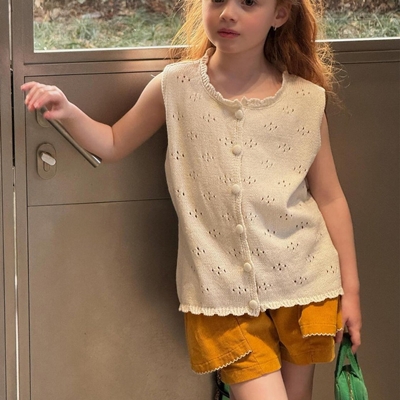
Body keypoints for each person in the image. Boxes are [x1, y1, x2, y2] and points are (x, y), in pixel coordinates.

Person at [22, 1, 362, 399]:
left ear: (280, 15)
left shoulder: (306, 100)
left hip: (306, 287)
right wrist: (68, 111)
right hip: (221, 297)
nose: (228, 12)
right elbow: (113, 141)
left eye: (248, 2)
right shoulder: (176, 86)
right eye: (217, 0)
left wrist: (351, 292)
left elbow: (329, 198)